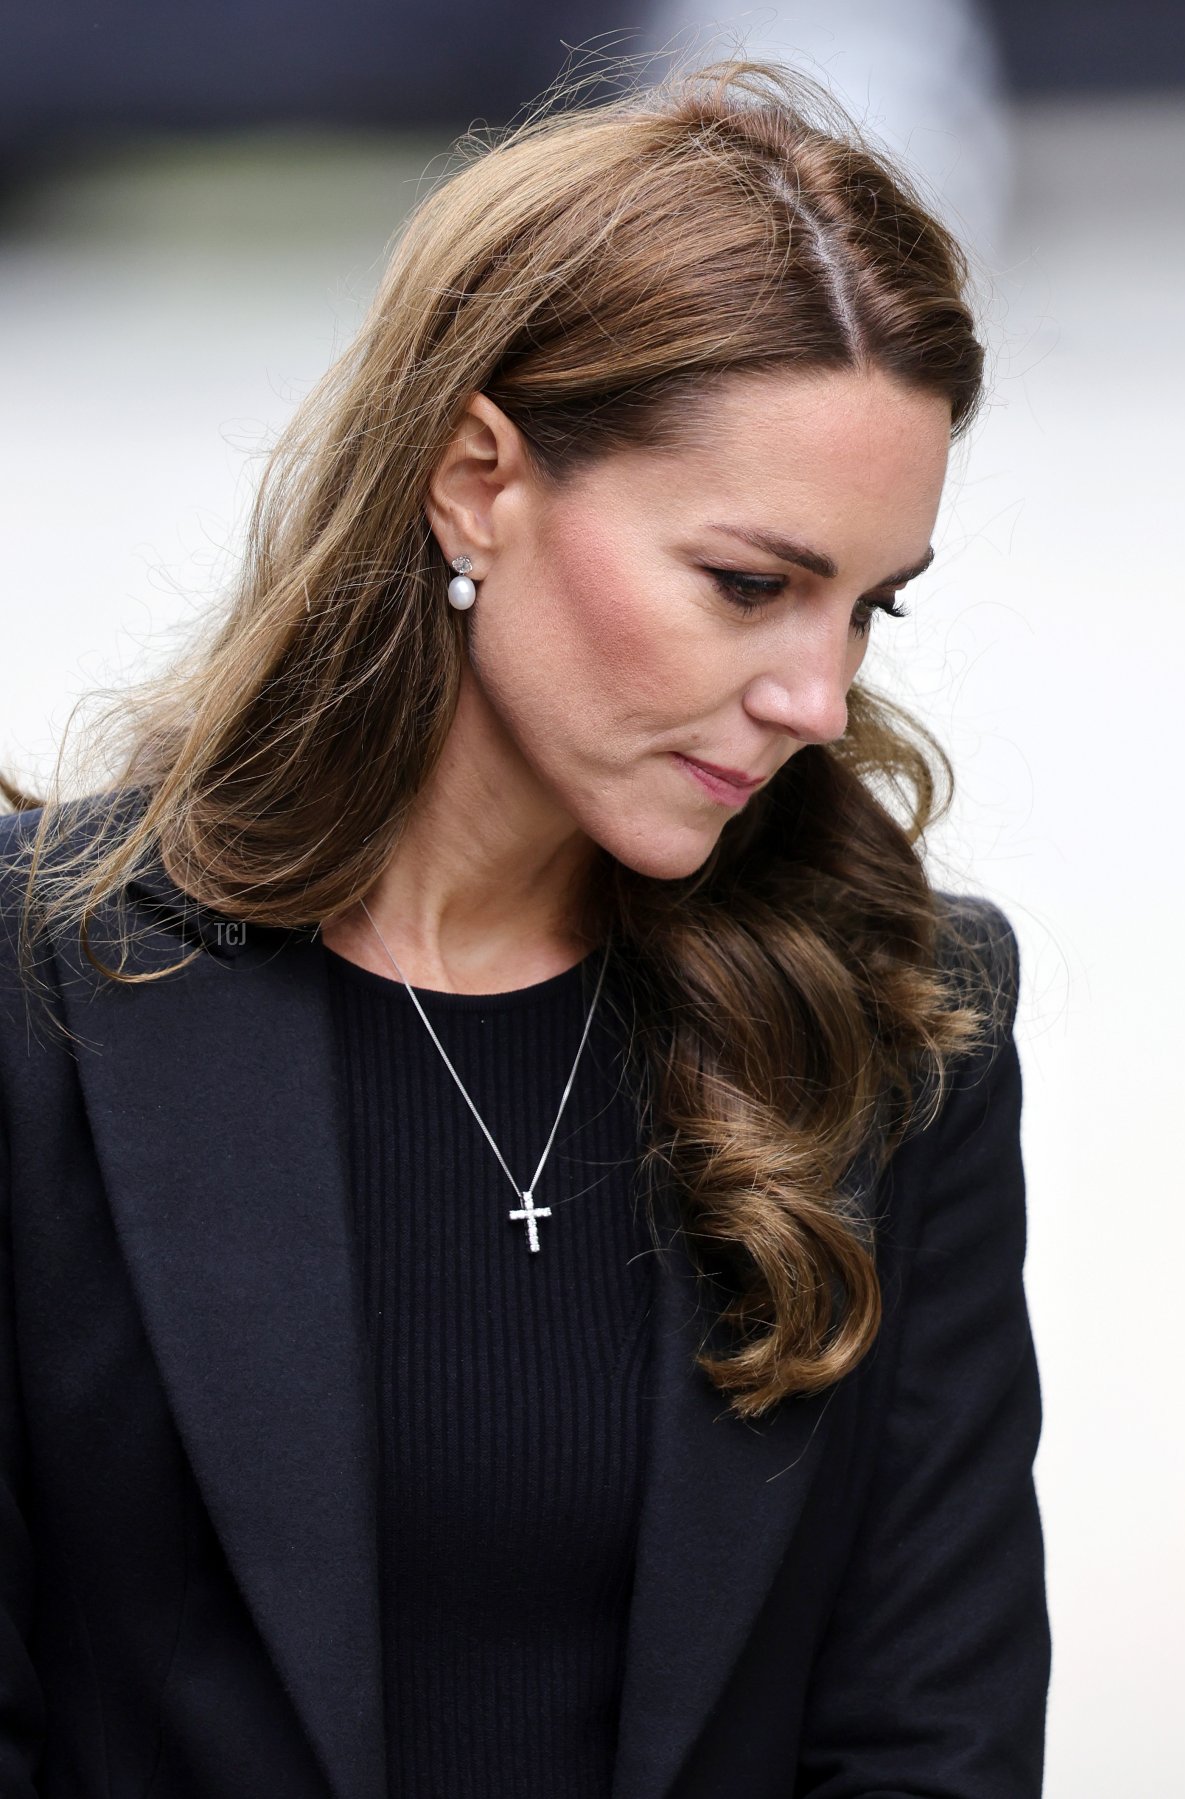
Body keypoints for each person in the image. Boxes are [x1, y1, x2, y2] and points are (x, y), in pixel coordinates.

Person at [0, 56, 1050, 1799]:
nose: (817, 691)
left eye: (871, 607)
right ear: (478, 476)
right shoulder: (45, 1001)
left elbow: (929, 1731)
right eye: (749, 583)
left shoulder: (899, 1024)